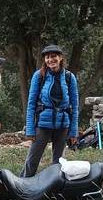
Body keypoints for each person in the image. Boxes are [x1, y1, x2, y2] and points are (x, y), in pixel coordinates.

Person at [22, 44, 80, 177]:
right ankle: (23, 183)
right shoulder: (39, 76)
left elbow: (75, 105)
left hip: (63, 125)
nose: (50, 60)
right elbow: (31, 104)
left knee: (59, 163)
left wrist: (73, 132)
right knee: (32, 160)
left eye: (53, 56)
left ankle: (54, 185)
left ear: (60, 58)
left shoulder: (69, 77)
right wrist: (30, 129)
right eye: (47, 57)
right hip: (43, 123)